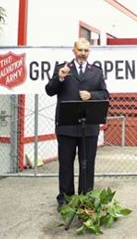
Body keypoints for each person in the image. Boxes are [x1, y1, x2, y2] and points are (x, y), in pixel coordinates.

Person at [45, 38, 109, 212]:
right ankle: (65, 198)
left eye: (86, 50)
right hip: (66, 126)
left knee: (87, 163)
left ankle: (86, 198)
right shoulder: (62, 69)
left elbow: (104, 94)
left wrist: (92, 95)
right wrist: (60, 77)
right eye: (80, 50)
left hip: (89, 127)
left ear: (89, 52)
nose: (83, 53)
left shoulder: (96, 72)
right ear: (74, 51)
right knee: (65, 164)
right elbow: (49, 90)